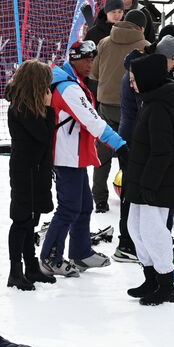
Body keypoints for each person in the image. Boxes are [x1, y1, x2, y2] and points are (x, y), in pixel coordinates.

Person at [39, 40, 126, 277]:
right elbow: (93, 121)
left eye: (92, 59)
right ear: (73, 59)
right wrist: (120, 145)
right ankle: (50, 258)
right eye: (85, 59)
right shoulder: (69, 88)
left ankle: (81, 253)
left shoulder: (71, 82)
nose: (90, 64)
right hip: (66, 156)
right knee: (69, 208)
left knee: (84, 206)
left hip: (73, 155)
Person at [121, 53, 174, 305]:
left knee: (153, 232)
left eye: (135, 78)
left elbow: (162, 151)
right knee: (134, 228)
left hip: (157, 184)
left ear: (147, 78)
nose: (131, 83)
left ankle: (166, 285)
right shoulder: (150, 101)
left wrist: (148, 184)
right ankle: (151, 277)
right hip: (143, 181)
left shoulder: (159, 106)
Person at [5, 61, 58, 291]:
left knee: (31, 220)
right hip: (25, 171)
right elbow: (44, 136)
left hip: (35, 170)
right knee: (21, 220)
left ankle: (31, 266)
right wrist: (49, 109)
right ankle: (15, 271)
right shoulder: (22, 108)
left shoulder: (27, 106)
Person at [90, 8, 148, 212]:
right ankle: (129, 198)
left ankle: (99, 199)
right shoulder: (145, 46)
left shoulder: (104, 42)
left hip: (105, 106)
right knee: (129, 154)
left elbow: (94, 74)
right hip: (131, 109)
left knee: (102, 155)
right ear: (141, 28)